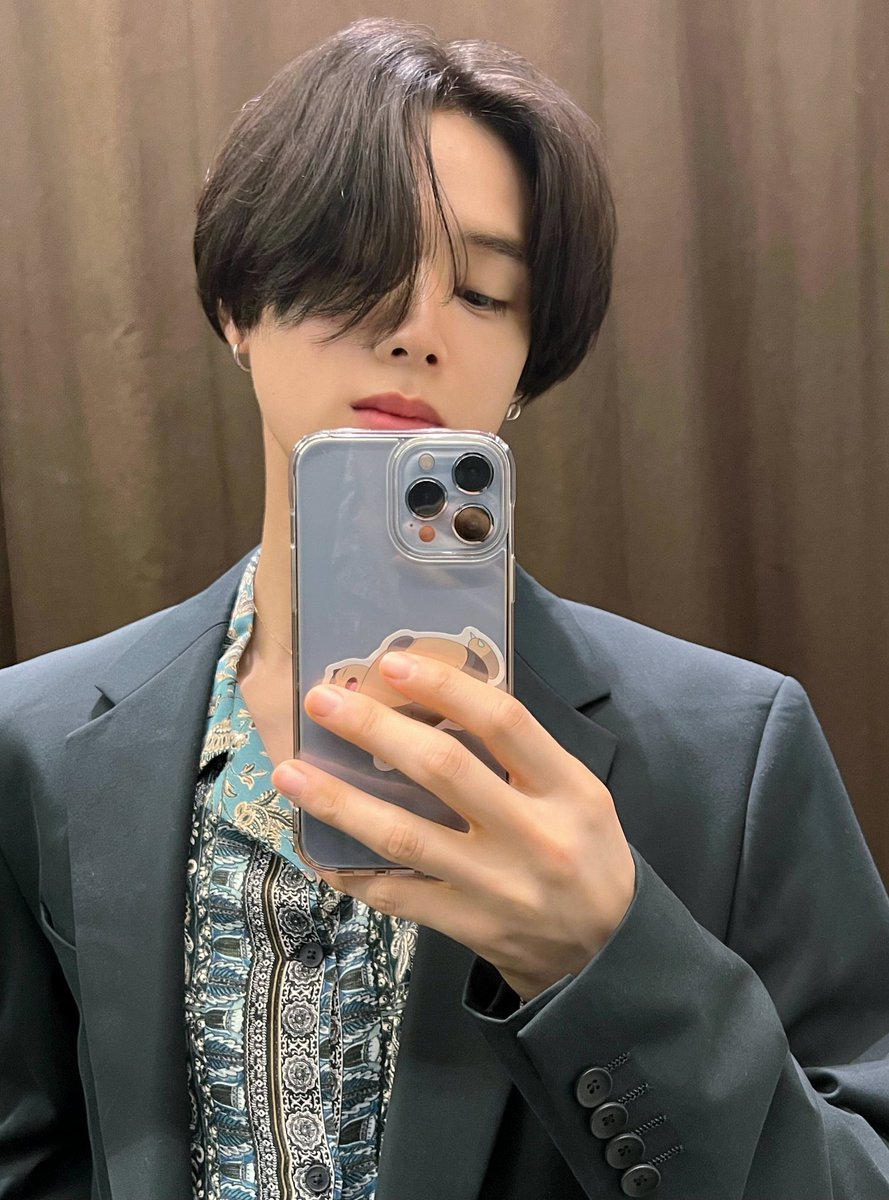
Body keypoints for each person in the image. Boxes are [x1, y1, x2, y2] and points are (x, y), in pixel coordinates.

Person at [2, 15, 888, 1200]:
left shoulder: (731, 751)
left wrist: (607, 960)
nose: (415, 330)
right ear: (239, 308)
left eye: (481, 291)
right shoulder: (38, 740)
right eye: (355, 260)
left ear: (527, 359)